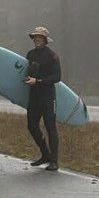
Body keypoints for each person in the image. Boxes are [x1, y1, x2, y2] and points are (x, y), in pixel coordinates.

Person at [25, 26, 62, 171]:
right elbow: (26, 71)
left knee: (50, 127)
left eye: (40, 37)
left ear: (45, 40)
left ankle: (54, 161)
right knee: (31, 126)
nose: (37, 39)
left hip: (47, 96)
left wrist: (38, 82)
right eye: (35, 37)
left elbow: (57, 77)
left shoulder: (52, 56)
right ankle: (45, 154)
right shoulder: (30, 54)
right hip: (34, 96)